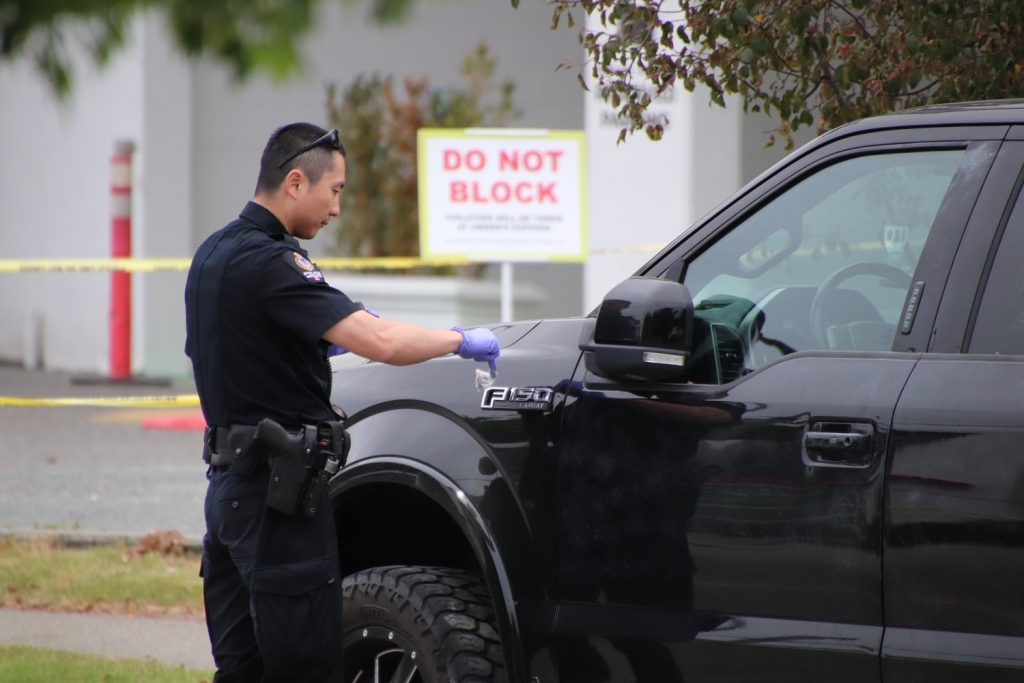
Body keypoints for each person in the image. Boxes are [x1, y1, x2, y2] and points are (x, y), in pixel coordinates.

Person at [184, 122, 500, 682]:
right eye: (336, 191)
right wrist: (459, 339)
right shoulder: (273, 263)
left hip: (228, 492)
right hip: (277, 503)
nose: (336, 209)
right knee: (306, 667)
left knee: (242, 671)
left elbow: (235, 352)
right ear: (297, 182)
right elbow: (381, 342)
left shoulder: (212, 255)